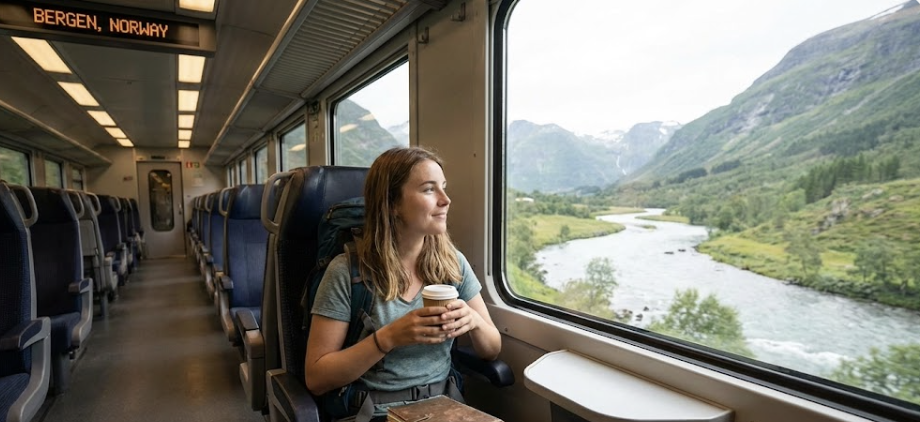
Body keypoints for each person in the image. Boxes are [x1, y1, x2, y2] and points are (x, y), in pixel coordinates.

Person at [305, 146, 501, 422]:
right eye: (429, 189)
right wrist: (389, 338)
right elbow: (316, 378)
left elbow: (492, 348)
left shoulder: (452, 263)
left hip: (445, 406)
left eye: (443, 187)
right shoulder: (346, 272)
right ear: (392, 203)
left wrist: (474, 321)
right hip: (374, 412)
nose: (446, 200)